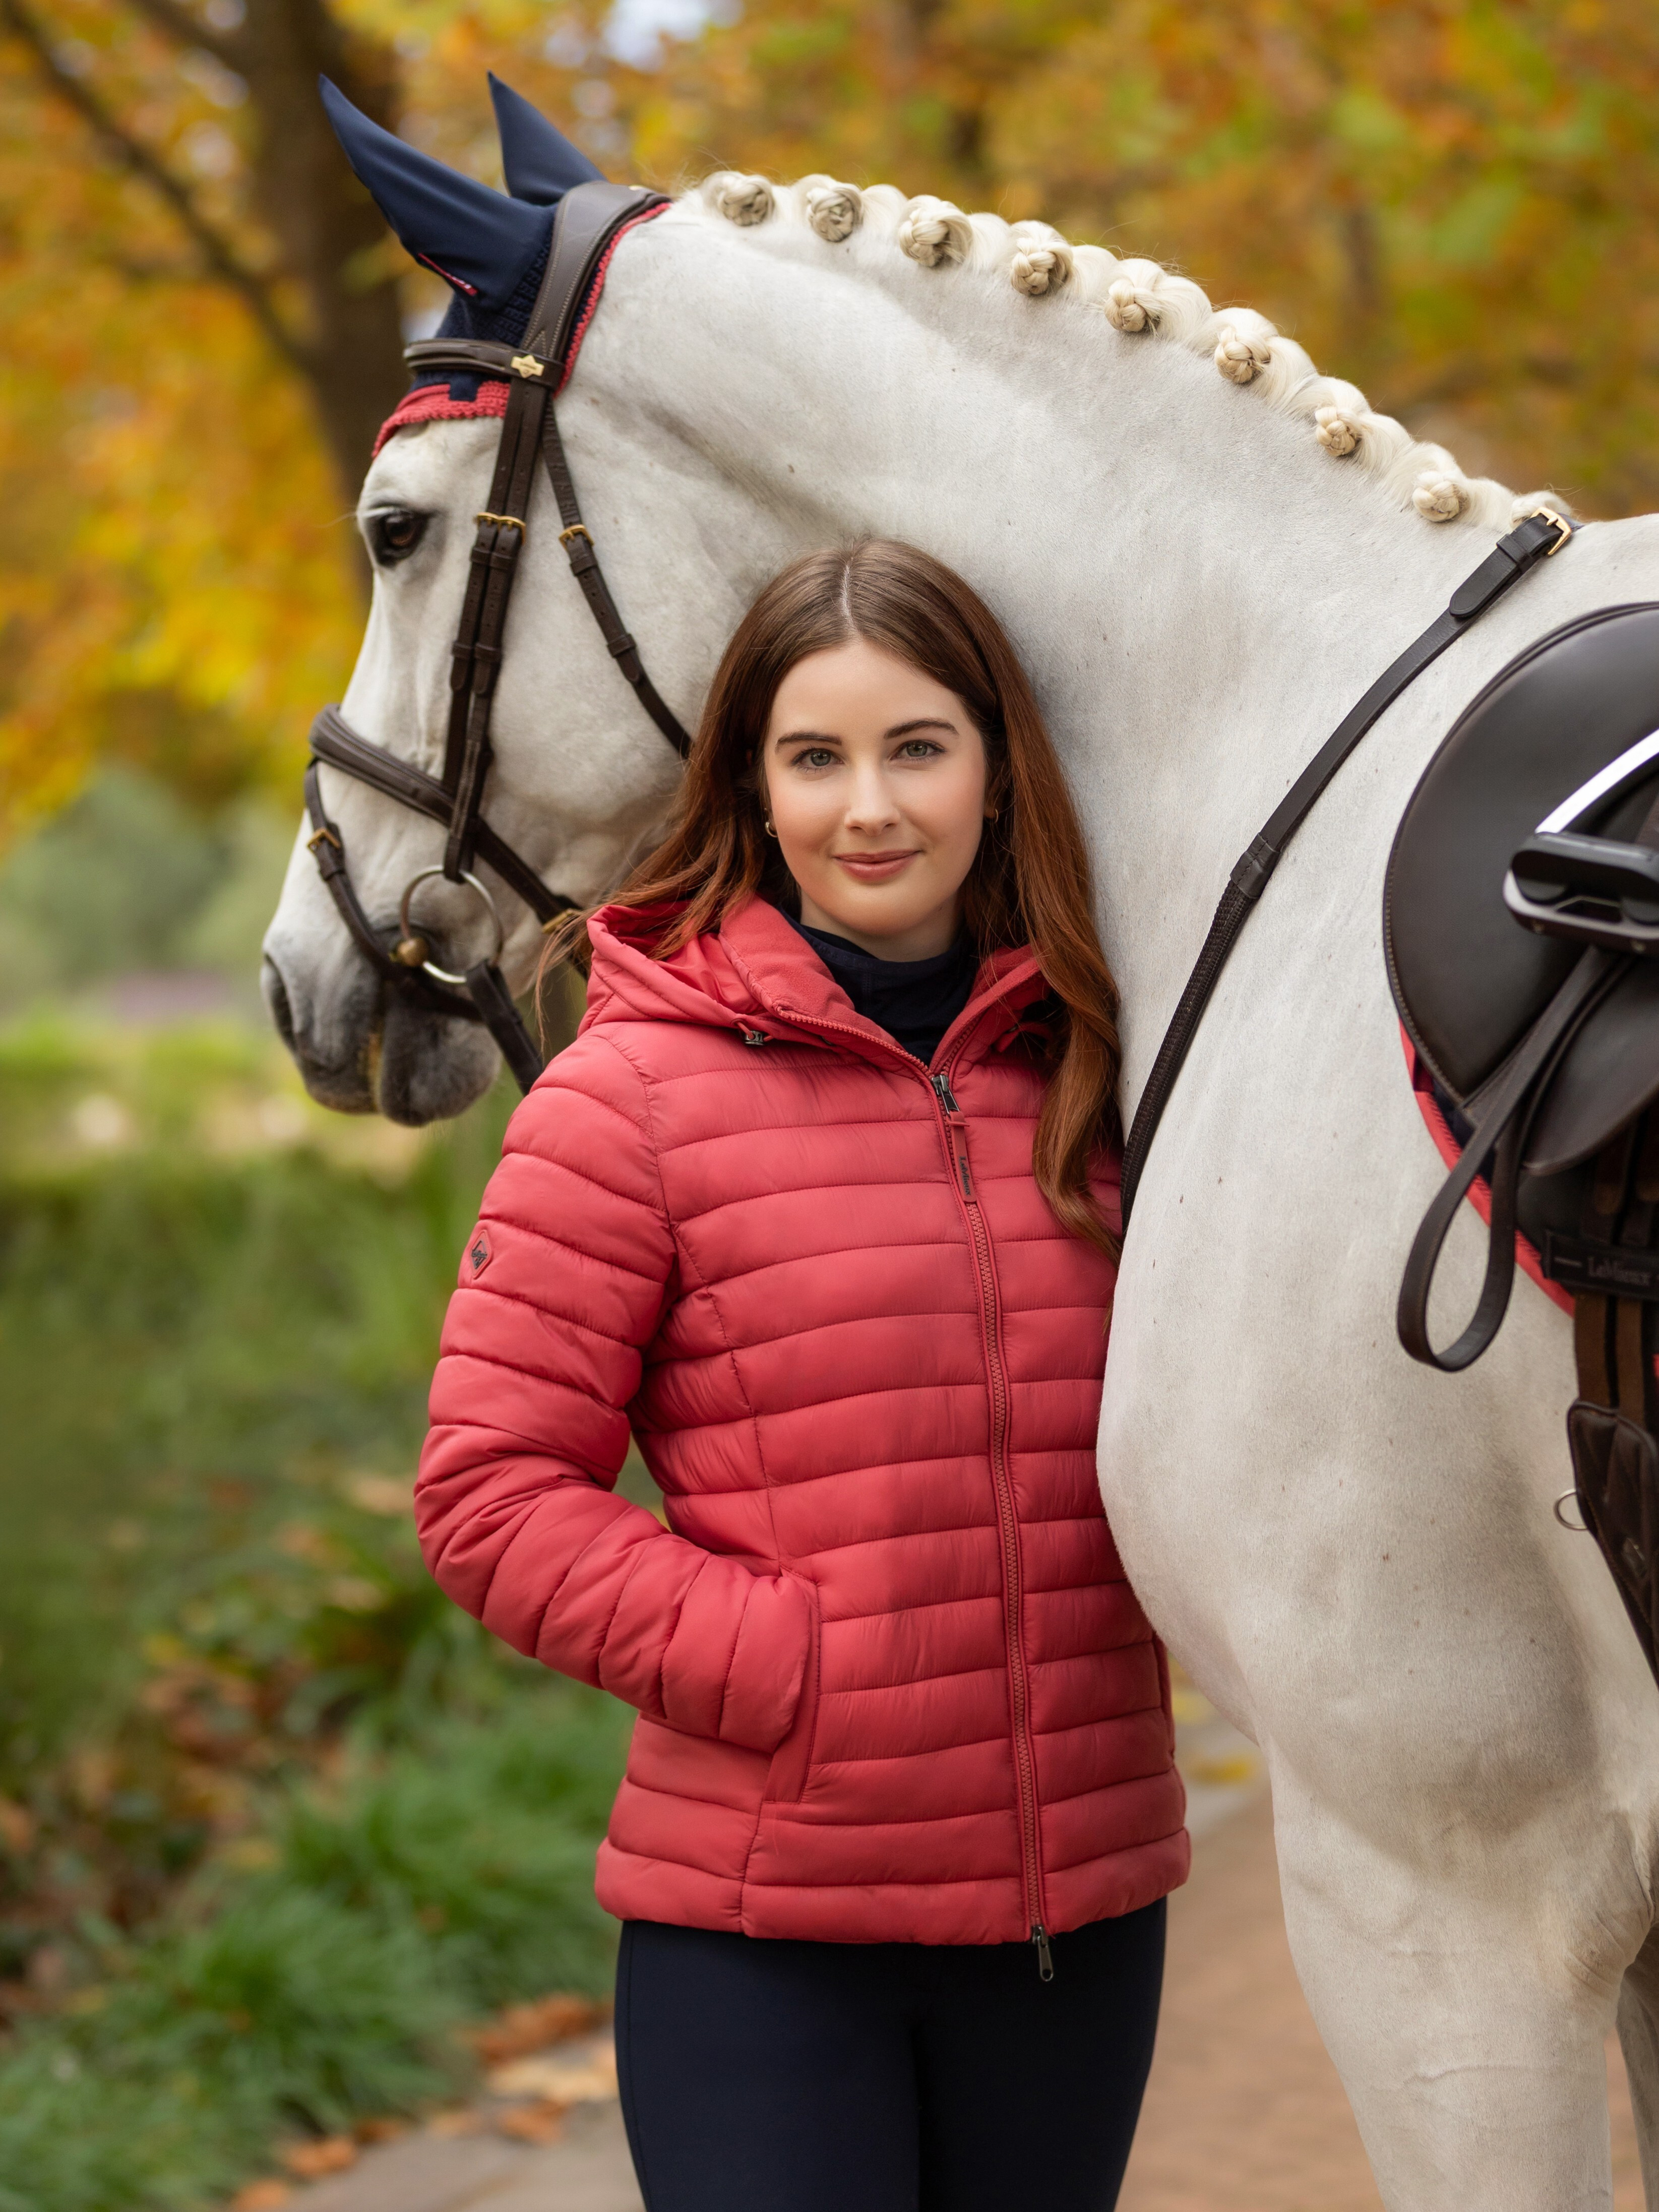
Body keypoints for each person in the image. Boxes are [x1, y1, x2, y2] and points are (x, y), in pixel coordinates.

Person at [415, 539, 1188, 2212]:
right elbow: (488, 1493)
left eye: (917, 748)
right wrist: (793, 1666)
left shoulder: (1113, 1075)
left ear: (998, 769)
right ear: (753, 792)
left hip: (1075, 1915)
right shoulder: (626, 1096)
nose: (870, 807)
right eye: (815, 757)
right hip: (767, 1934)